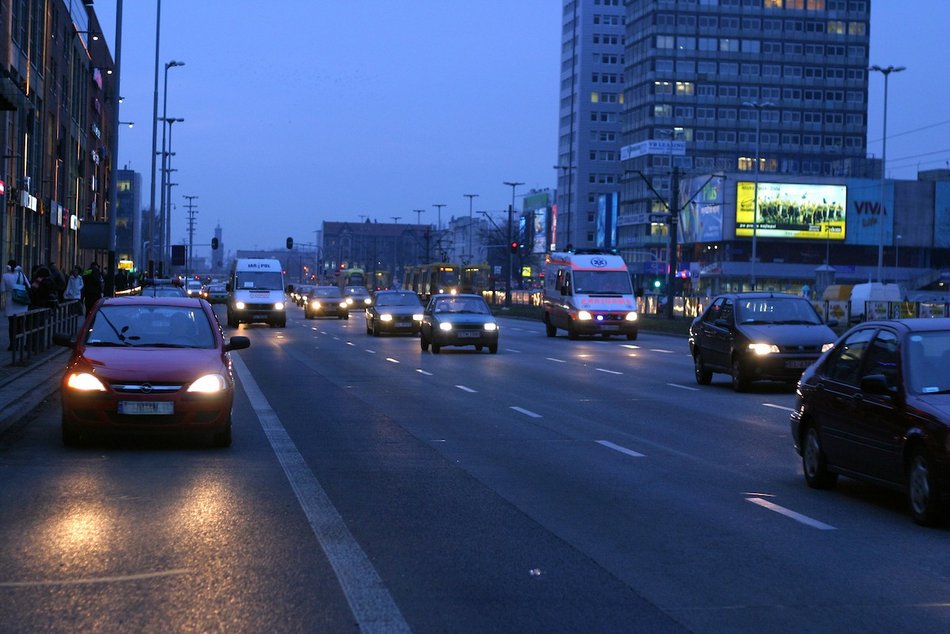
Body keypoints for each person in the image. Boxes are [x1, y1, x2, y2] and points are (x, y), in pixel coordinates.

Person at [1, 260, 30, 351]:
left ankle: (13, 345)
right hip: (22, 303)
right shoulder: (21, 275)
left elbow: (2, 290)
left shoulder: (5, 276)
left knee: (12, 325)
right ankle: (20, 342)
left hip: (11, 303)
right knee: (20, 325)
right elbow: (28, 286)